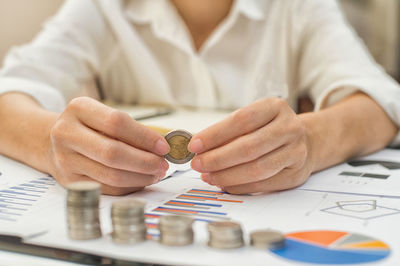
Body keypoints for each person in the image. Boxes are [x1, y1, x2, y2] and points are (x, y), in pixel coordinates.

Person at [0, 0, 399, 195]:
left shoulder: (300, 6)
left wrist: (311, 142)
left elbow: (383, 102)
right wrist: (51, 145)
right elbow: (8, 90)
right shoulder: (101, 7)